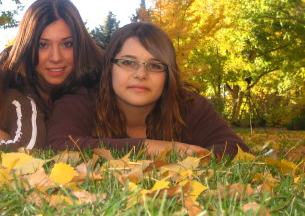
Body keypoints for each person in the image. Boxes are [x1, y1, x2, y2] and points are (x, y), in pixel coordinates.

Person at [47, 22, 250, 158]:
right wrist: (155, 148)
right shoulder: (79, 101)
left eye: (154, 65)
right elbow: (59, 146)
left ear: (167, 74)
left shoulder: (189, 105)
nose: (141, 74)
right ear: (109, 68)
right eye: (128, 62)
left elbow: (235, 149)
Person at [0, 0, 103, 118]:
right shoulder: (2, 88)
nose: (56, 58)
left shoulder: (101, 86)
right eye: (42, 45)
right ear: (26, 47)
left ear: (80, 45)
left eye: (67, 44)